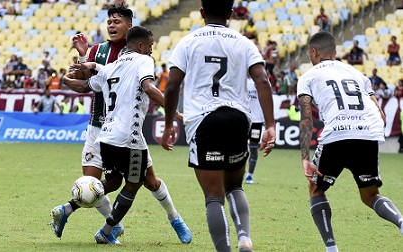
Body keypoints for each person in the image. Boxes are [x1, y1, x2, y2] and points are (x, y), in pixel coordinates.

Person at [50, 4, 192, 245]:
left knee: (120, 182)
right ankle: (108, 230)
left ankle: (70, 209)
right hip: (127, 135)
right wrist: (174, 113)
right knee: (134, 183)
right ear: (141, 45)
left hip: (107, 135)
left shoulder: (112, 66)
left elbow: (89, 83)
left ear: (129, 27)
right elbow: (148, 87)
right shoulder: (139, 59)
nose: (152, 50)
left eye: (117, 21)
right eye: (150, 46)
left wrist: (76, 74)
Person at [161, 0, 276, 251]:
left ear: (202, 12)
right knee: (234, 185)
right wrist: (270, 125)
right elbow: (262, 81)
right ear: (231, 13)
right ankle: (244, 238)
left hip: (204, 121)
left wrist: (169, 123)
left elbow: (172, 86)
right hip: (237, 119)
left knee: (214, 196)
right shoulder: (244, 43)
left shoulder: (188, 42)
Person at [297, 31, 403, 252]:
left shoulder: (308, 76)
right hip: (366, 134)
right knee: (371, 195)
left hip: (336, 134)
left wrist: (305, 157)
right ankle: (402, 223)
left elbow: (307, 118)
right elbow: (380, 113)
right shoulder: (356, 72)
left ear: (314, 52)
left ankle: (331, 248)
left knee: (316, 189)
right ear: (335, 53)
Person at [245, 76, 268, 185]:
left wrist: (266, 119)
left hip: (257, 121)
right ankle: (237, 173)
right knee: (239, 148)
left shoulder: (263, 82)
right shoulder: (243, 82)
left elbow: (267, 101)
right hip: (244, 119)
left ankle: (249, 175)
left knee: (253, 148)